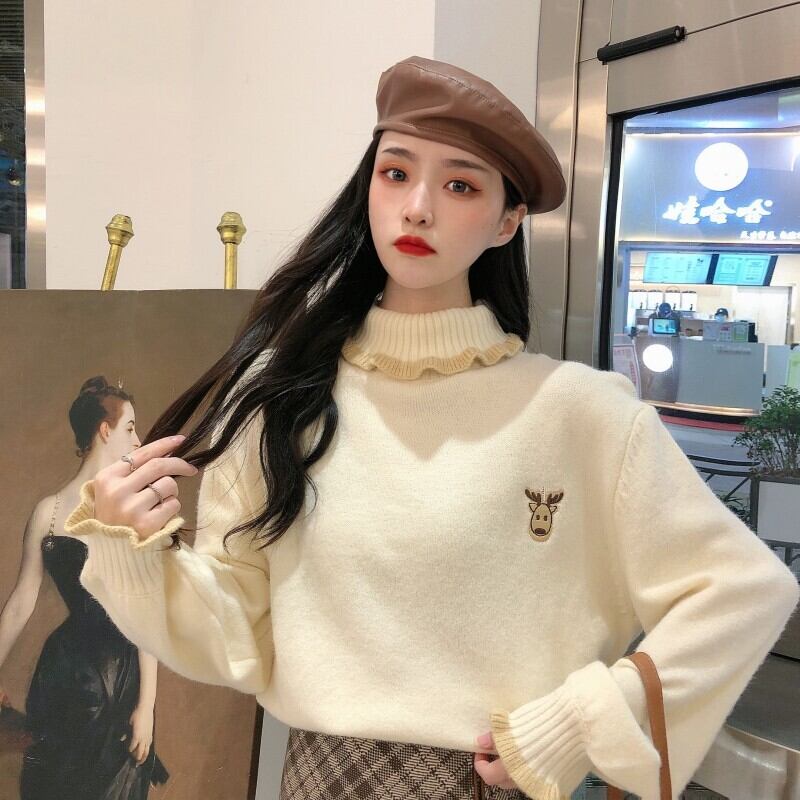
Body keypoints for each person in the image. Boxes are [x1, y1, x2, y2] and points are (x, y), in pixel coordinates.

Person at [62, 56, 799, 800]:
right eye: (396, 173)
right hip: (318, 778)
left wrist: (578, 725)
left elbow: (744, 588)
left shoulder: (579, 412)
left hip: (483, 781)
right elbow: (233, 632)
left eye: (460, 186)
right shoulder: (280, 398)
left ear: (508, 221)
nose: (417, 208)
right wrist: (128, 551)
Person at [0, 376, 168, 799]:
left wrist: (146, 708)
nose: (138, 440)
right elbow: (20, 603)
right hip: (66, 680)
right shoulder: (48, 512)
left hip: (119, 681)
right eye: (130, 427)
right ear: (105, 431)